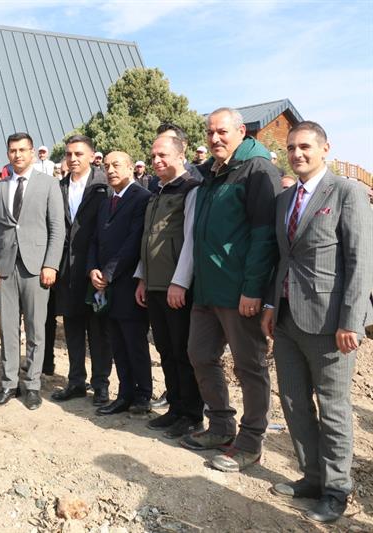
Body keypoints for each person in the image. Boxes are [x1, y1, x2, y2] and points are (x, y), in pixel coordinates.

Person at [261, 121, 373, 523]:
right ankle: (312, 477)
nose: (297, 154)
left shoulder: (347, 192)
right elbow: (282, 259)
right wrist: (271, 306)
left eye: (305, 146)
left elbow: (360, 261)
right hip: (287, 318)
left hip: (331, 324)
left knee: (333, 407)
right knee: (293, 402)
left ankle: (336, 490)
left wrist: (351, 321)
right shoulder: (284, 200)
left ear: (325, 149)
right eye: (291, 147)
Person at [181, 107, 280, 473]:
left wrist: (253, 289)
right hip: (207, 289)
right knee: (199, 354)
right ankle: (221, 426)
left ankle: (250, 442)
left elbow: (263, 235)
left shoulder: (257, 170)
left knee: (249, 366)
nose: (214, 138)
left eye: (221, 131)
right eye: (210, 132)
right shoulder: (211, 171)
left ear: (241, 132)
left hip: (239, 291)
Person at [0, 132, 64, 410]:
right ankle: (9, 383)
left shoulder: (49, 185)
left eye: (22, 150)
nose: (17, 155)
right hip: (5, 268)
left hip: (36, 268)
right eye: (12, 150)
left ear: (31, 152)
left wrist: (51, 263)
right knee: (7, 328)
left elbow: (57, 228)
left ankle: (32, 384)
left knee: (35, 328)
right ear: (8, 154)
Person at [135, 136, 203, 439]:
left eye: (162, 155)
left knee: (182, 352)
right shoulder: (157, 191)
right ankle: (175, 408)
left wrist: (180, 281)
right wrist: (142, 278)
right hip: (155, 284)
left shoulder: (191, 189)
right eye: (153, 156)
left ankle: (192, 414)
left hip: (176, 288)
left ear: (180, 155)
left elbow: (190, 240)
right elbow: (149, 239)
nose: (156, 161)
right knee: (165, 349)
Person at [88, 151, 152, 415]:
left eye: (116, 165)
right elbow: (95, 239)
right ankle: (125, 393)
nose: (110, 170)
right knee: (117, 342)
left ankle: (143, 394)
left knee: (134, 342)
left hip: (129, 283)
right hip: (106, 285)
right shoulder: (107, 201)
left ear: (130, 167)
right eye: (106, 166)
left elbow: (134, 242)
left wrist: (108, 273)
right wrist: (93, 269)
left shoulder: (142, 198)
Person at [51, 135, 111, 406]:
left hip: (94, 268)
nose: (73, 159)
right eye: (69, 154)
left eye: (78, 154)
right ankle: (76, 381)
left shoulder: (103, 187)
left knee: (98, 330)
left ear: (91, 156)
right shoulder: (59, 187)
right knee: (73, 326)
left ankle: (101, 384)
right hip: (67, 269)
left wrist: (101, 267)